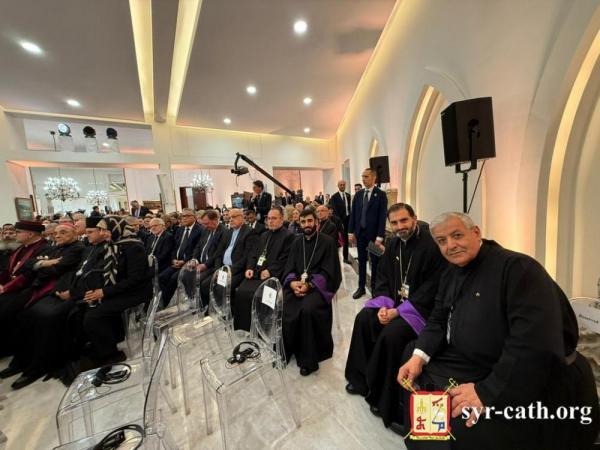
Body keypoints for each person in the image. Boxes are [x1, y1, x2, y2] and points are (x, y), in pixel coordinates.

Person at [397, 212, 599, 450]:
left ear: (476, 233)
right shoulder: (451, 271)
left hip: (533, 377)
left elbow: (534, 344)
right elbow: (438, 318)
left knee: (460, 425)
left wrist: (485, 393)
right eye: (442, 241)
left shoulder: (519, 269)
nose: (450, 245)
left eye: (457, 235)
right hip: (480, 363)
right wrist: (419, 357)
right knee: (416, 367)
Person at [344, 203, 446, 430]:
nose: (400, 227)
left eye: (404, 221)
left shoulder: (431, 246)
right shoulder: (393, 244)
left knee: (391, 335)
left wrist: (398, 311)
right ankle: (360, 379)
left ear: (414, 219)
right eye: (395, 223)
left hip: (419, 310)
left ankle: (382, 396)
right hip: (393, 303)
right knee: (364, 319)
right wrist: (384, 305)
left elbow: (432, 288)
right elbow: (382, 276)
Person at [3, 223, 84, 389]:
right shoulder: (55, 248)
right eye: (56, 233)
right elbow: (28, 265)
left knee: (43, 317)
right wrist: (43, 264)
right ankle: (22, 361)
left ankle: (38, 366)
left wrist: (42, 266)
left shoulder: (77, 248)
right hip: (47, 288)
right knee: (24, 315)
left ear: (75, 233)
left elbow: (56, 269)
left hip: (64, 290)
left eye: (63, 232)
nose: (58, 236)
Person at [72, 216, 153, 368]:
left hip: (136, 292)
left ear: (116, 228)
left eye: (105, 230)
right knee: (84, 307)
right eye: (101, 230)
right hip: (121, 289)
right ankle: (103, 343)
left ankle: (111, 354)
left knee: (94, 315)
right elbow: (109, 274)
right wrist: (98, 291)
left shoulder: (133, 247)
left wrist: (104, 292)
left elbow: (134, 280)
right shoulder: (114, 244)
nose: (102, 233)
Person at [282, 209, 341, 376]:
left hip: (318, 287)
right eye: (303, 222)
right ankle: (288, 349)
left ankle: (308, 359)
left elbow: (330, 272)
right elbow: (289, 267)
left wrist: (309, 285)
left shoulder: (328, 242)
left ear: (316, 222)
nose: (306, 224)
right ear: (299, 223)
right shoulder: (296, 242)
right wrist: (292, 283)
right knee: (285, 305)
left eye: (309, 221)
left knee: (307, 309)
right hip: (298, 285)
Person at [234, 207, 294, 331]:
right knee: (241, 292)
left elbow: (285, 259)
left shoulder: (288, 236)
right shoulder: (264, 235)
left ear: (282, 219)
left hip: (274, 275)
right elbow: (253, 254)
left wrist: (270, 271)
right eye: (269, 218)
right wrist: (250, 267)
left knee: (258, 294)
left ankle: (262, 329)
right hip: (257, 273)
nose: (270, 221)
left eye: (274, 218)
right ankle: (245, 328)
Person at [0, 221, 49, 357]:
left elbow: (30, 275)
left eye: (18, 232)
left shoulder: (45, 248)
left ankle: (8, 347)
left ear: (30, 234)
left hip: (30, 287)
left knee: (5, 310)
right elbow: (8, 270)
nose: (15, 234)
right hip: (13, 286)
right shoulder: (20, 248)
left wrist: (5, 288)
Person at [348, 168, 387, 299]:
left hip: (374, 237)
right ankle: (361, 287)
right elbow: (353, 214)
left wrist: (380, 237)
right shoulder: (358, 195)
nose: (363, 179)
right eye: (363, 176)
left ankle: (375, 289)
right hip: (361, 235)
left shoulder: (380, 195)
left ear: (374, 177)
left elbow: (382, 217)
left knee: (375, 263)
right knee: (362, 261)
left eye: (366, 176)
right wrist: (350, 232)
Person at [158, 208, 202, 306]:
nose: (184, 218)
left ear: (194, 217)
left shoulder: (199, 230)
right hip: (176, 262)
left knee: (174, 278)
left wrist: (184, 261)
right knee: (162, 277)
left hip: (189, 263)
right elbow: (175, 247)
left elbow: (196, 251)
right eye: (183, 216)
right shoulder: (180, 229)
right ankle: (165, 303)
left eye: (187, 216)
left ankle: (173, 303)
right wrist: (174, 259)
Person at [192, 210, 227, 301]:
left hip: (212, 265)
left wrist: (205, 265)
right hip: (200, 263)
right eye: (203, 224)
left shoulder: (224, 231)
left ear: (215, 220)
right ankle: (195, 302)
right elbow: (198, 247)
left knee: (199, 281)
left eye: (207, 223)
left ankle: (204, 304)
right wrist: (194, 259)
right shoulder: (206, 230)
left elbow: (218, 252)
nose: (205, 226)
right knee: (187, 276)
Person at [330, 180, 352, 263]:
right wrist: (339, 222)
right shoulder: (334, 197)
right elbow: (335, 210)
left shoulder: (348, 195)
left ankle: (345, 258)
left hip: (348, 220)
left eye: (343, 185)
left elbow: (349, 208)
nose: (342, 186)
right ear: (338, 186)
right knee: (337, 239)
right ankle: (334, 258)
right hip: (339, 221)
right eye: (341, 185)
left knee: (346, 239)